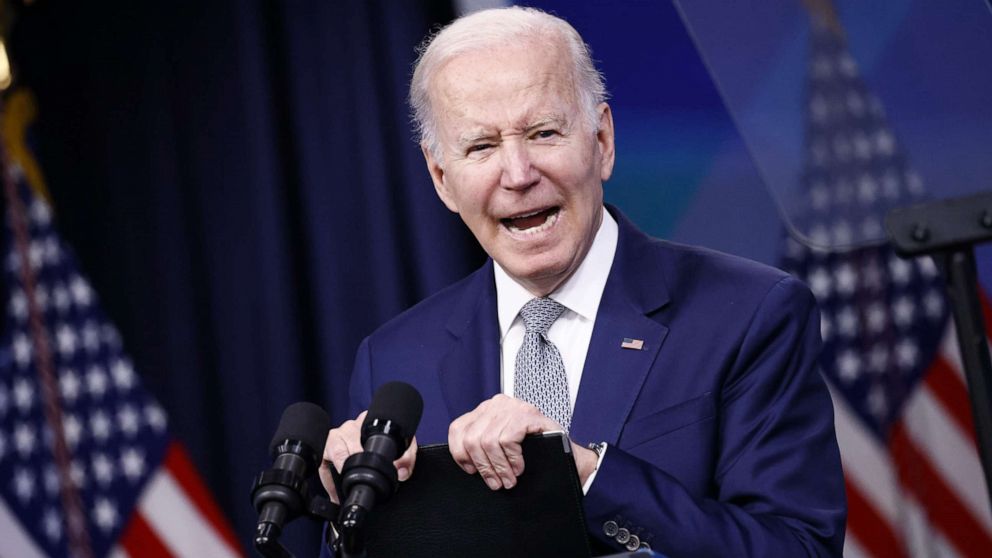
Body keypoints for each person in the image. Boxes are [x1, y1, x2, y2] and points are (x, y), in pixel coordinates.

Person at [320, 6, 846, 556]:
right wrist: (351, 521)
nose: (519, 174)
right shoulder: (395, 358)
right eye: (481, 147)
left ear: (602, 141)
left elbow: (797, 547)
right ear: (441, 179)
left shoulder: (749, 314)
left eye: (544, 132)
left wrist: (588, 473)